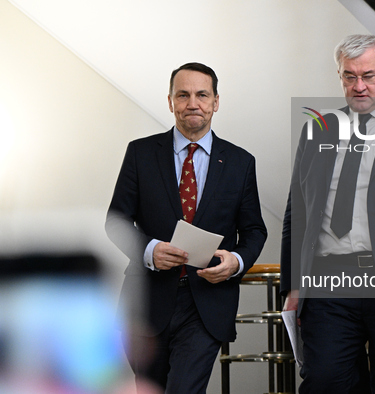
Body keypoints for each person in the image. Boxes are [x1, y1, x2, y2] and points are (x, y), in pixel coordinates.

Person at [281, 34, 375, 393]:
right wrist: (294, 284)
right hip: (329, 284)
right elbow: (297, 213)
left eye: (368, 75)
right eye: (349, 76)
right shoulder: (317, 130)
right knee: (324, 382)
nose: (359, 86)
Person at [105, 62, 267, 393]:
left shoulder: (240, 162)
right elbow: (117, 219)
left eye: (202, 95)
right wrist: (149, 250)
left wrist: (235, 263)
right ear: (170, 101)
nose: (193, 103)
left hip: (207, 305)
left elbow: (254, 231)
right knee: (149, 389)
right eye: (183, 95)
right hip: (146, 303)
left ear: (215, 102)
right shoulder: (141, 153)